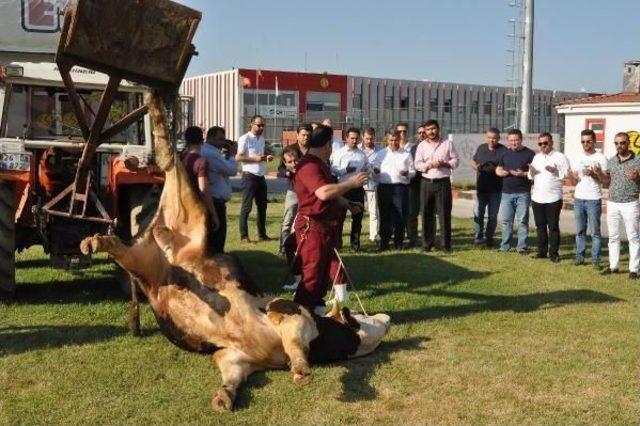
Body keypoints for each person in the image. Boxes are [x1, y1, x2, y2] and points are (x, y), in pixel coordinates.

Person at [292, 124, 368, 314]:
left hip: (324, 228)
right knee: (311, 275)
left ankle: (316, 314)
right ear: (327, 145)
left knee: (321, 274)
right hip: (312, 228)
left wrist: (348, 204)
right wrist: (351, 183)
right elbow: (324, 192)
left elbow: (332, 194)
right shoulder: (308, 165)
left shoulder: (320, 165)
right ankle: (300, 317)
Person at [598, 132, 640, 279]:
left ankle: (633, 269)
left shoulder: (638, 160)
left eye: (622, 143)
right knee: (613, 237)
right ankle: (613, 266)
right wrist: (598, 174)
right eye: (616, 143)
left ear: (628, 143)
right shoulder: (611, 161)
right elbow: (606, 181)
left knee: (633, 236)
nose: (619, 146)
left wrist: (637, 178)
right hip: (613, 202)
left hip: (630, 202)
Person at [414, 119, 459, 252]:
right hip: (427, 183)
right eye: (428, 130)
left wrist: (444, 164)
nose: (431, 132)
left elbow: (456, 160)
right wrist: (428, 165)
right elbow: (417, 164)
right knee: (426, 214)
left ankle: (445, 245)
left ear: (438, 129)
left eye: (433, 129)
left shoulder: (447, 144)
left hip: (443, 183)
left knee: (444, 214)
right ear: (425, 131)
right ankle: (427, 244)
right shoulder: (421, 146)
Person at [528, 133, 570, 263]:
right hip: (537, 198)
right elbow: (530, 176)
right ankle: (542, 252)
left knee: (553, 227)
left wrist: (555, 171)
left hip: (553, 198)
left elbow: (568, 175)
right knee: (540, 227)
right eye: (540, 144)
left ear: (551, 143)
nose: (543, 146)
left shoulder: (560, 157)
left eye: (545, 143)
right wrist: (532, 173)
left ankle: (554, 254)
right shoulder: (536, 157)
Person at [373, 130, 416, 251]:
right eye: (391, 140)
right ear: (387, 140)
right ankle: (384, 243)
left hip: (400, 188)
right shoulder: (381, 153)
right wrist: (375, 171)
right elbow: (374, 169)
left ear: (399, 139)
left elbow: (413, 172)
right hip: (384, 187)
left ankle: (399, 242)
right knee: (384, 216)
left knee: (401, 216)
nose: (393, 142)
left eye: (396, 140)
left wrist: (408, 173)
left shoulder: (406, 154)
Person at [570, 129, 607, 268]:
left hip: (593, 199)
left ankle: (596, 260)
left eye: (588, 141)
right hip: (579, 198)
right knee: (580, 231)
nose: (585, 144)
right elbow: (574, 182)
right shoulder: (578, 158)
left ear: (594, 141)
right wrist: (572, 176)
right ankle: (580, 257)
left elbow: (605, 181)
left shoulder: (601, 157)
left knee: (595, 232)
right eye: (583, 141)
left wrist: (593, 174)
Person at [496, 128, 536, 254]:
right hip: (506, 192)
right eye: (511, 140)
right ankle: (505, 246)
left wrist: (523, 174)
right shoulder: (504, 153)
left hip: (523, 192)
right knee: (507, 221)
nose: (514, 143)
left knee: (522, 221)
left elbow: (534, 173)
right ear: (508, 141)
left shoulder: (530, 154)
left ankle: (521, 247)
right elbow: (498, 168)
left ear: (521, 140)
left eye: (516, 140)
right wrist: (500, 172)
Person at [235, 115, 274, 243]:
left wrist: (265, 157)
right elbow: (239, 157)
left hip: (260, 176)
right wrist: (256, 159)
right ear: (252, 124)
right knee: (247, 207)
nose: (261, 127)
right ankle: (244, 236)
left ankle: (262, 235)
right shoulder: (244, 138)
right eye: (259, 125)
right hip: (249, 176)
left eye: (263, 125)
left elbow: (259, 156)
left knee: (262, 207)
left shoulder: (261, 139)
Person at [330, 127, 368, 252]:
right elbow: (333, 170)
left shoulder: (362, 154)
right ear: (346, 138)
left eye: (356, 138)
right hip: (343, 188)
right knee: (339, 218)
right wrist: (346, 170)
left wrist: (366, 171)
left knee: (357, 218)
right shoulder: (339, 153)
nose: (354, 141)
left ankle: (355, 245)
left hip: (357, 189)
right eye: (352, 138)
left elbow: (366, 168)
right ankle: (337, 244)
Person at [202, 126, 238, 253]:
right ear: (210, 138)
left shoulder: (214, 153)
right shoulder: (211, 154)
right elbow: (232, 170)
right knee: (217, 237)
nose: (223, 143)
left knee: (215, 236)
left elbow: (224, 169)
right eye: (220, 139)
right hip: (215, 200)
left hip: (215, 199)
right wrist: (233, 155)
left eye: (224, 139)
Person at [180, 126, 220, 237]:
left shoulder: (180, 158)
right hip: (195, 207)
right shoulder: (201, 162)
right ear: (202, 141)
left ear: (186, 140)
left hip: (181, 205)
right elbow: (203, 190)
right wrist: (213, 213)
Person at [277, 125, 309, 255]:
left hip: (308, 189)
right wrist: (287, 172)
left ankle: (302, 247)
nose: (306, 137)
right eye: (303, 135)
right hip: (293, 189)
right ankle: (283, 247)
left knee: (305, 220)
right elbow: (280, 169)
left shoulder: (312, 150)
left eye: (308, 135)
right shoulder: (290, 150)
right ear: (297, 135)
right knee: (288, 219)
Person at [471, 128, 506, 247]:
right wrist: (477, 167)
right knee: (478, 213)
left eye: (494, 138)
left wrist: (497, 170)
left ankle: (489, 238)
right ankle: (478, 237)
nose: (491, 140)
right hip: (481, 188)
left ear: (498, 138)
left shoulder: (503, 150)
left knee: (492, 216)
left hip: (496, 189)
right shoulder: (481, 148)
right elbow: (473, 162)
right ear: (487, 137)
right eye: (489, 137)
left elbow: (504, 169)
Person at [360, 127, 382, 245]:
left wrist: (377, 170)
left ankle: (373, 235)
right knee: (357, 210)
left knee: (373, 210)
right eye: (367, 138)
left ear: (374, 137)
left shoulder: (380, 150)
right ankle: (356, 235)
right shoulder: (357, 149)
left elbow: (383, 165)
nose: (369, 141)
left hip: (372, 183)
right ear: (362, 137)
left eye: (371, 138)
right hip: (358, 183)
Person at [405, 124, 425, 248]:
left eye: (424, 132)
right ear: (416, 135)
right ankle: (413, 239)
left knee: (428, 214)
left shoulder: (433, 148)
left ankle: (429, 239)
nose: (421, 135)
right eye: (419, 133)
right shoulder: (413, 149)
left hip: (428, 184)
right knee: (412, 214)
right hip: (414, 186)